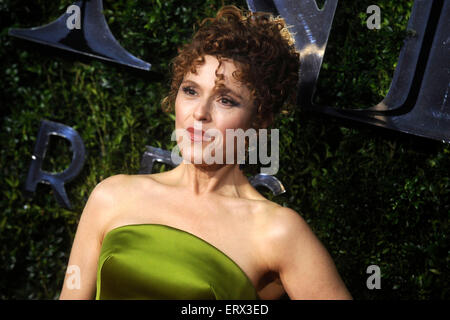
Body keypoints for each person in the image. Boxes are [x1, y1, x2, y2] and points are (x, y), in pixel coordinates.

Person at [59, 5, 352, 300]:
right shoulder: (112, 196)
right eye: (190, 91)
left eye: (226, 100)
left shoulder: (276, 232)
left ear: (259, 120)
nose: (200, 113)